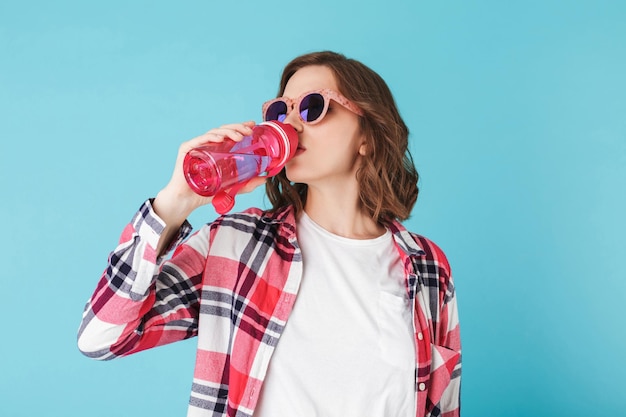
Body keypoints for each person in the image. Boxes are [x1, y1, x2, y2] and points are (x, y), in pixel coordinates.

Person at [77, 51, 461, 417]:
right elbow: (102, 336)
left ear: (368, 137)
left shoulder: (427, 265)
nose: (288, 124)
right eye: (279, 111)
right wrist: (175, 202)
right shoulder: (235, 245)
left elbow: (443, 404)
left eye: (312, 106)